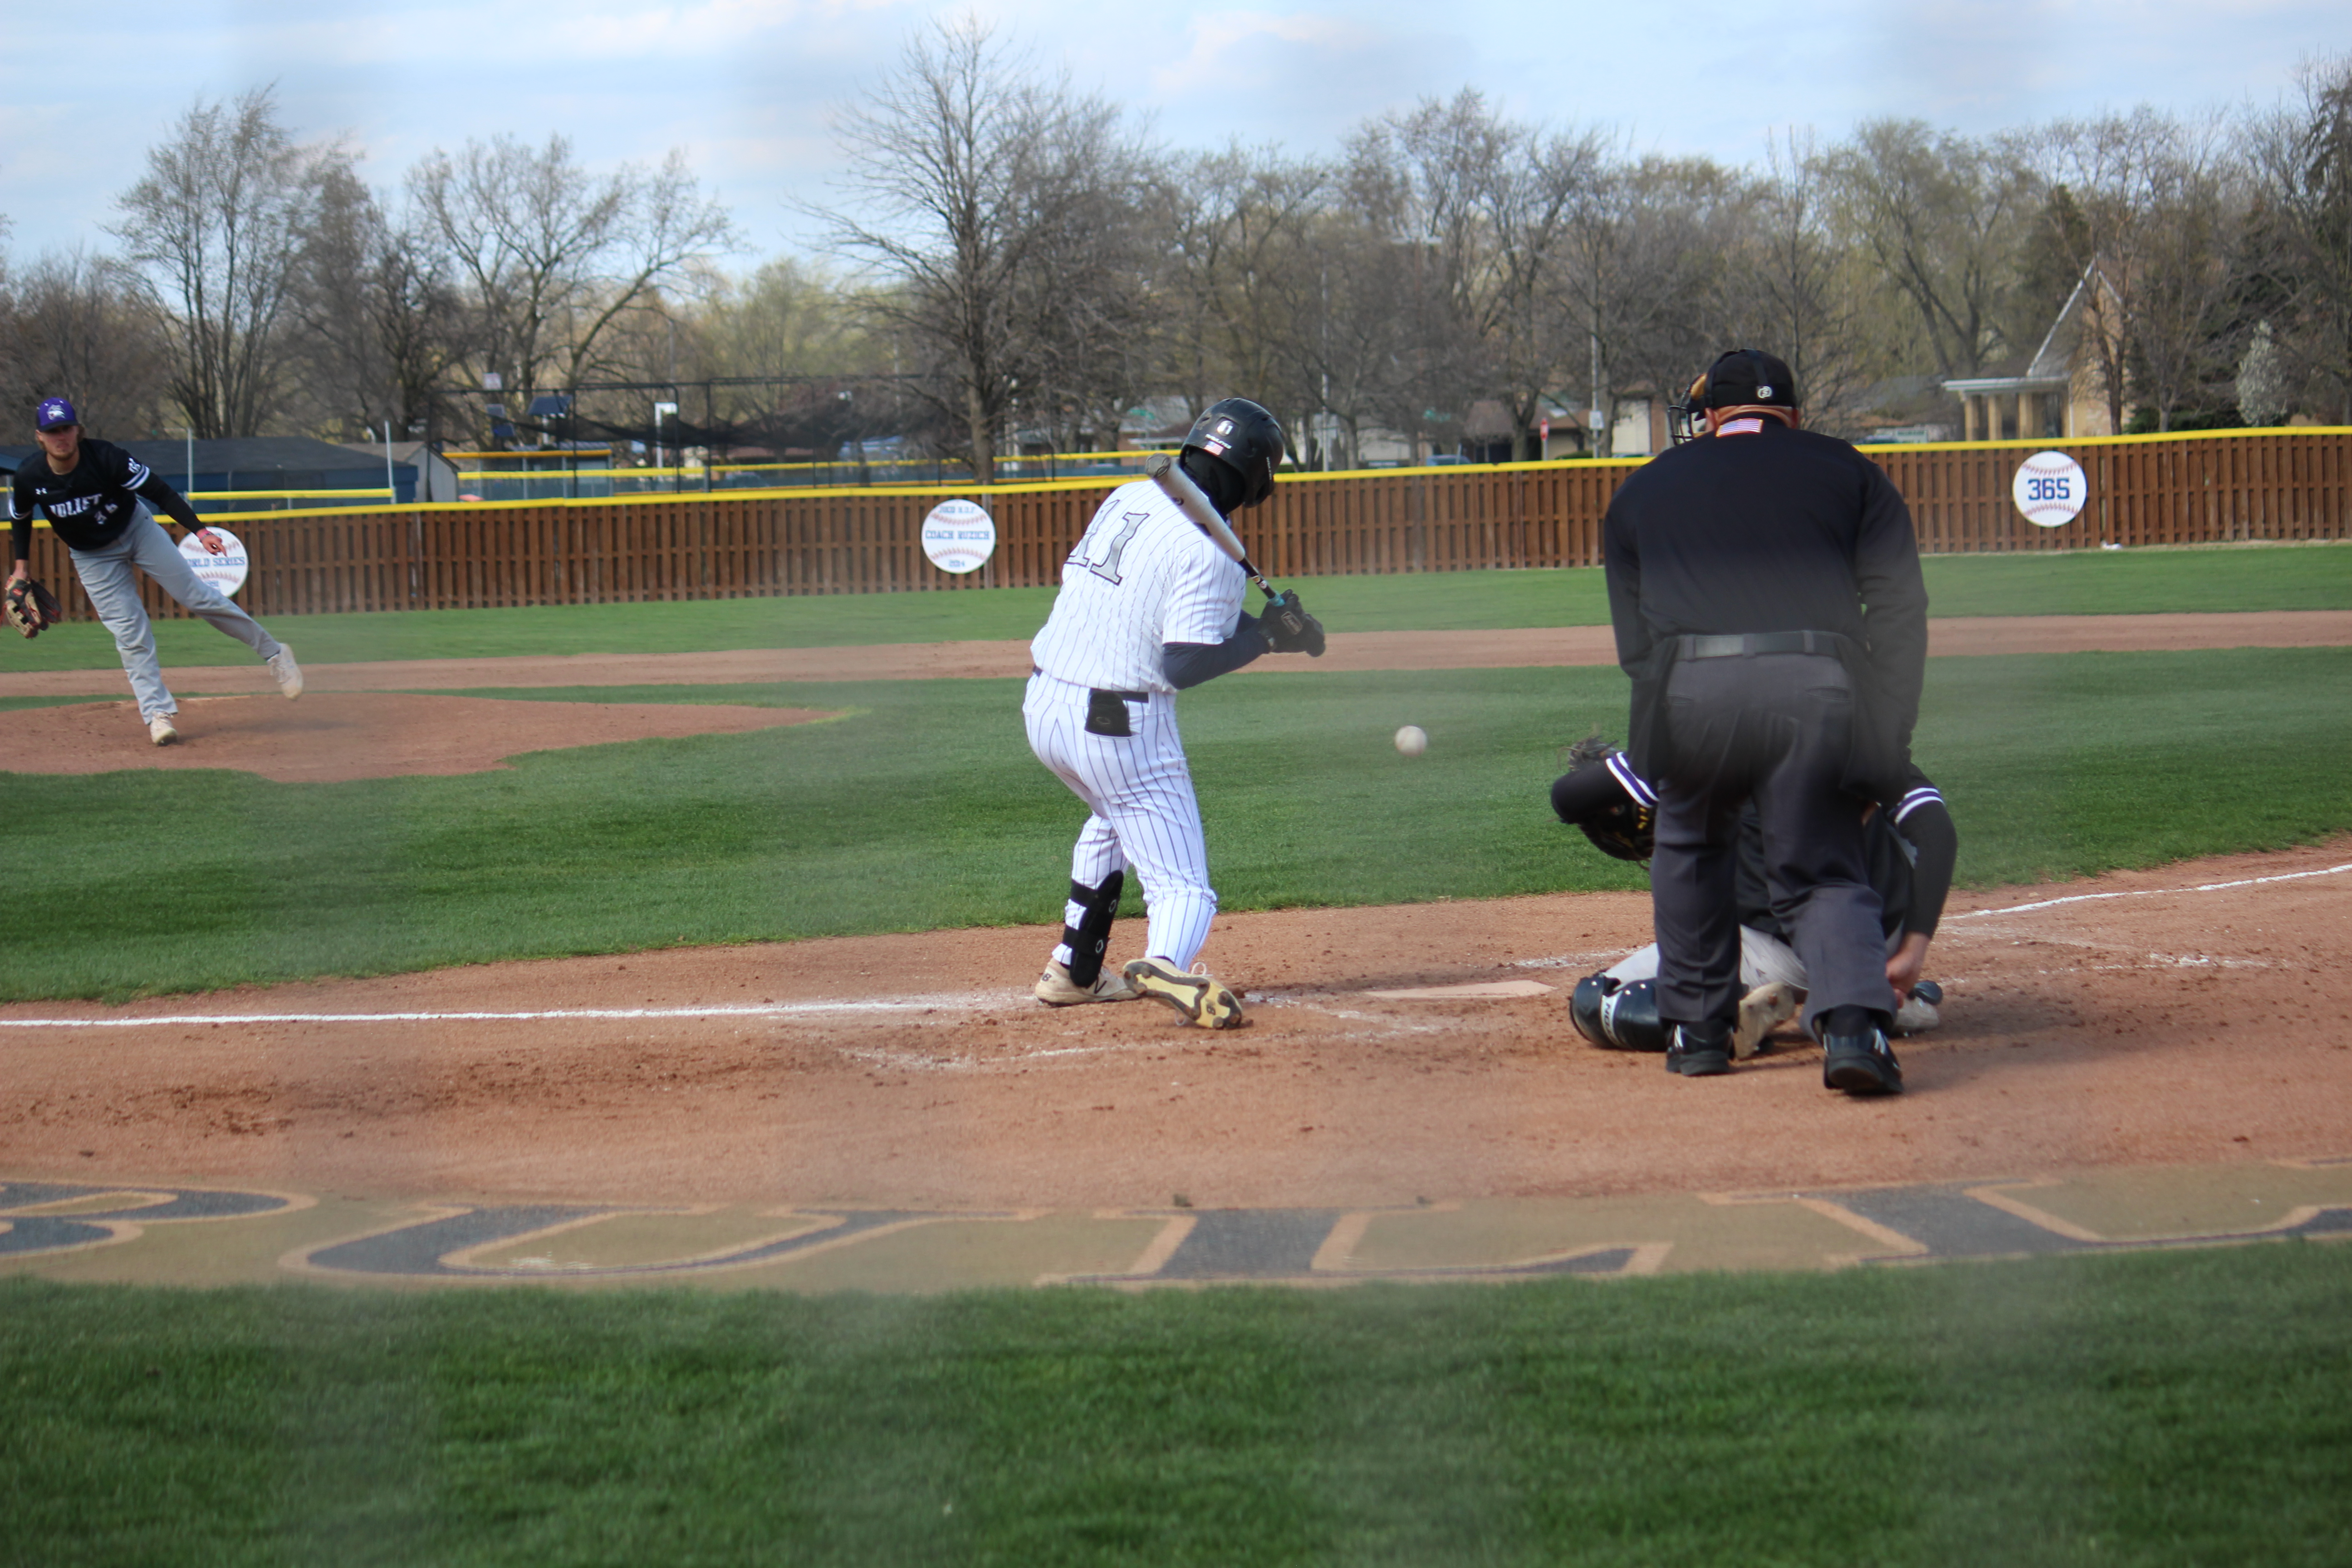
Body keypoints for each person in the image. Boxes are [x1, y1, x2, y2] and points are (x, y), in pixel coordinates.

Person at [1601, 349, 1929, 1093]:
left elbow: (1637, 651)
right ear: (1793, 415)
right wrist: (1886, 744)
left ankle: (1695, 1035)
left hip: (1691, 683)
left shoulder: (1640, 490)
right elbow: (1900, 614)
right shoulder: (1849, 472)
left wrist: (1662, 754)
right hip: (1817, 679)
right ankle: (1853, 1032)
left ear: (1709, 418)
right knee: (1819, 869)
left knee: (1688, 849)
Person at [1023, 397, 1324, 1028]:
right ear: (1257, 474)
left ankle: (1075, 971)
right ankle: (1167, 959)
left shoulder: (1130, 495)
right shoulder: (1214, 553)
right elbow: (1182, 663)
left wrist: (1270, 627)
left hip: (1046, 706)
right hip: (1118, 724)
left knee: (1114, 820)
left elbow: (1173, 605)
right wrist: (1268, 637)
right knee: (1184, 886)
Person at [1550, 740, 1955, 1054]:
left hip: (1788, 952)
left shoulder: (1706, 739)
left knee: (1597, 1001)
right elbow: (1938, 836)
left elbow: (1567, 797)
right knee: (1897, 822)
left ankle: (1728, 1014)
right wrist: (1913, 950)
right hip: (1879, 937)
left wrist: (1640, 769)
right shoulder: (1855, 726)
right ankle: (1877, 994)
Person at [9, 398, 302, 745]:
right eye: (52, 431)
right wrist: (20, 570)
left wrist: (200, 530)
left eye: (66, 429)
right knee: (130, 632)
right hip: (92, 557)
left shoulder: (107, 458)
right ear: (40, 437)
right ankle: (157, 714)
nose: (61, 437)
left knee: (197, 597)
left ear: (78, 431)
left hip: (138, 532)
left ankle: (274, 653)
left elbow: (159, 491)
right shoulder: (30, 477)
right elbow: (21, 519)